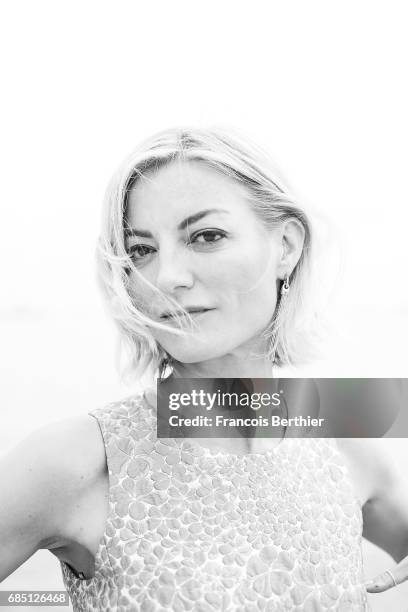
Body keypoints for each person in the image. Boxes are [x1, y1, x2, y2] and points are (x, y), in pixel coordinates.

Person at [1, 127, 408, 611]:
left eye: (206, 236)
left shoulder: (345, 442)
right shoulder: (78, 461)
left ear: (286, 246)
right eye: (140, 250)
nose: (167, 277)